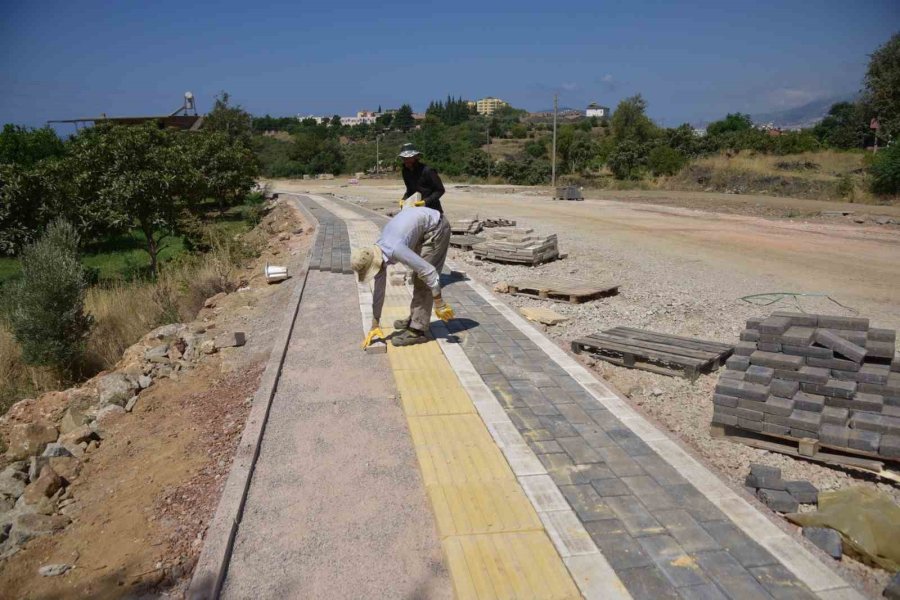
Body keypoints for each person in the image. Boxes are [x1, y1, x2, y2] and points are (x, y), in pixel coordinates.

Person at [352, 205, 453, 347]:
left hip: (437, 228)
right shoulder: (378, 252)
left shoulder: (395, 249)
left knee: (422, 280)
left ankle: (417, 330)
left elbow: (430, 272)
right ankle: (416, 317)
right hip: (424, 226)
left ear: (375, 264)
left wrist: (439, 303)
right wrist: (375, 324)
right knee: (417, 275)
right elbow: (379, 291)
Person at [399, 143, 445, 213]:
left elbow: (440, 190)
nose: (407, 161)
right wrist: (404, 199)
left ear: (416, 157)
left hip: (432, 209)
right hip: (415, 209)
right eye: (404, 158)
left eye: (409, 158)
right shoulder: (405, 172)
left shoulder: (428, 171)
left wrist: (425, 201)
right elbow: (409, 190)